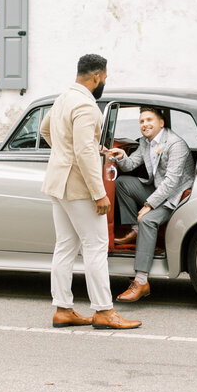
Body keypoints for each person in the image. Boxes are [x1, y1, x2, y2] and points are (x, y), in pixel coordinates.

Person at [40, 54, 141, 330]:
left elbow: (45, 129)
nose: (104, 83)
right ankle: (104, 311)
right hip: (79, 187)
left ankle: (63, 309)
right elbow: (83, 151)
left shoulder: (63, 98)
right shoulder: (87, 106)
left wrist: (66, 153)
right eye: (105, 78)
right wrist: (99, 193)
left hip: (57, 183)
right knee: (96, 246)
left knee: (65, 247)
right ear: (96, 77)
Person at [108, 106, 196, 303]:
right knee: (123, 183)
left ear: (161, 123)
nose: (145, 124)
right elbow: (131, 166)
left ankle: (141, 281)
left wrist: (148, 205)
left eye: (149, 120)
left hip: (176, 197)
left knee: (147, 220)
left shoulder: (176, 144)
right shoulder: (146, 143)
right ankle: (135, 229)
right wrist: (121, 157)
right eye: (141, 121)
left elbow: (172, 182)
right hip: (157, 190)